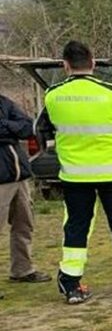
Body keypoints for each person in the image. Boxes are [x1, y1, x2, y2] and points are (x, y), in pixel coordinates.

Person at [37, 41, 112, 304]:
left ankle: (70, 284)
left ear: (65, 65)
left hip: (75, 176)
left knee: (76, 227)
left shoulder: (53, 96)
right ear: (93, 62)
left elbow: (46, 126)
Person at [0, 92, 51, 299]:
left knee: (24, 223)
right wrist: (11, 128)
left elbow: (28, 127)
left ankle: (22, 269)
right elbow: (17, 129)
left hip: (19, 175)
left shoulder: (4, 102)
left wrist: (6, 126)